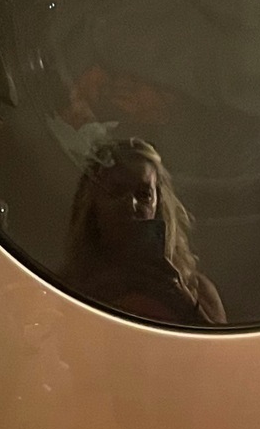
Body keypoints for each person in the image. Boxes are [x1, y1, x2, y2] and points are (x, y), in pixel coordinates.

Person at [64, 135, 226, 326]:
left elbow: (221, 345)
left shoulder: (197, 289)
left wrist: (180, 300)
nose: (130, 204)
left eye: (144, 194)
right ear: (93, 205)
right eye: (116, 191)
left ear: (159, 205)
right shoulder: (62, 287)